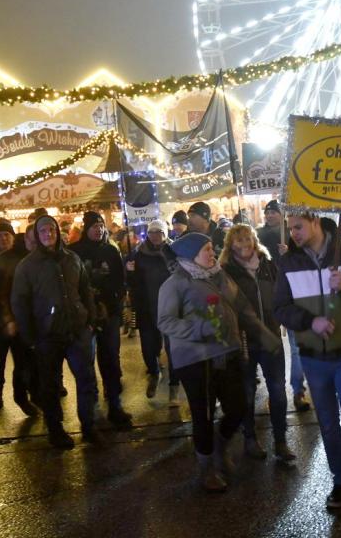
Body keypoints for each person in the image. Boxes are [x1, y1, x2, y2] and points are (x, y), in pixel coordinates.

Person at [274, 213, 341, 525]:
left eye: (298, 226)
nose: (293, 233)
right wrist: (311, 321)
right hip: (312, 358)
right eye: (290, 227)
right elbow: (280, 308)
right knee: (329, 426)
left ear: (315, 222)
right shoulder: (289, 262)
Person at [157, 233, 281, 493]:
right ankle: (206, 470)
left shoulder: (220, 275)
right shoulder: (175, 283)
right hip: (195, 360)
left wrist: (265, 336)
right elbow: (166, 322)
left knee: (238, 406)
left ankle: (219, 446)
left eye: (212, 249)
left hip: (227, 353)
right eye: (206, 250)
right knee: (203, 415)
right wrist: (200, 328)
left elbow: (243, 308)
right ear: (191, 255)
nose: (212, 253)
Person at [11, 215, 101, 448]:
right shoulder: (27, 266)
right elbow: (19, 302)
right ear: (37, 235)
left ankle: (89, 426)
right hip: (47, 335)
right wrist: (30, 336)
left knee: (86, 380)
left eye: (51, 229)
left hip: (77, 331)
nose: (48, 234)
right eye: (43, 231)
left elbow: (85, 290)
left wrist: (90, 320)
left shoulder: (72, 258)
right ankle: (56, 430)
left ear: (57, 232)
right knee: (50, 386)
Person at [220, 224, 295, 464]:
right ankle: (250, 438)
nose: (244, 244)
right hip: (244, 341)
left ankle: (281, 440)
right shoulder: (226, 272)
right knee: (248, 393)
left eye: (248, 239)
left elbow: (283, 293)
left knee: (278, 391)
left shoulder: (267, 265)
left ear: (255, 241)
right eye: (239, 240)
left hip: (270, 337)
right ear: (230, 245)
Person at [68, 211, 133, 429]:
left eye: (101, 226)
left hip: (109, 315)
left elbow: (120, 281)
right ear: (86, 229)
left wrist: (114, 306)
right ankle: (91, 412)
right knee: (85, 365)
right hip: (85, 317)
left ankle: (115, 405)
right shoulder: (74, 252)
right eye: (94, 226)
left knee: (111, 361)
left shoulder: (111, 251)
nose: (99, 229)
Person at [256, 200, 310, 412]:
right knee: (272, 346)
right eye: (267, 212)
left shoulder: (294, 235)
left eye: (273, 212)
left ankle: (298, 390)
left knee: (297, 347)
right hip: (268, 297)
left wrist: (289, 254)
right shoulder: (258, 235)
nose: (269, 215)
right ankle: (276, 392)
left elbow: (306, 262)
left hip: (292, 295)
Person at [0, 222, 36, 413]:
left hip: (19, 317)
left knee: (22, 359)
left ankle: (21, 397)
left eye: (7, 234)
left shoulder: (21, 256)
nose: (4, 238)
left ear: (13, 236)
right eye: (0, 235)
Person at [129, 219, 180, 406]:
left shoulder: (173, 251)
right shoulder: (139, 254)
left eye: (159, 232)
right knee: (149, 347)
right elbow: (133, 283)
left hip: (170, 307)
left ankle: (174, 385)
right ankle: (154, 372)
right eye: (152, 232)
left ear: (165, 234)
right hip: (147, 307)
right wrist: (130, 271)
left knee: (173, 349)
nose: (155, 236)